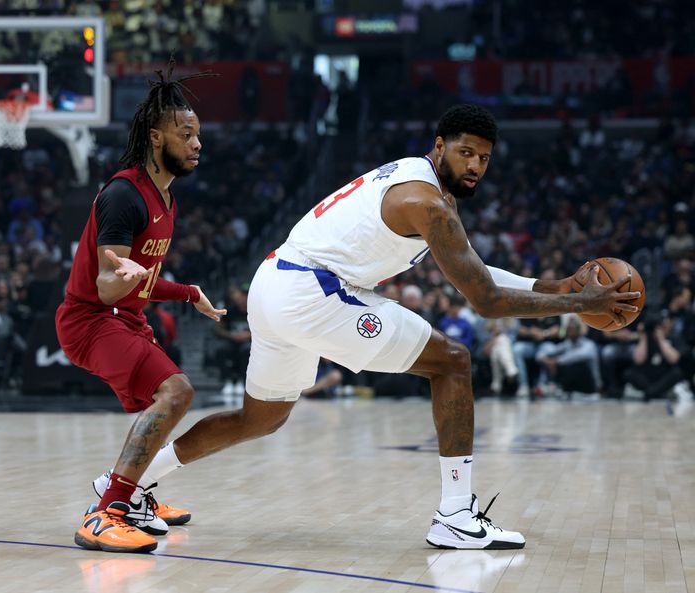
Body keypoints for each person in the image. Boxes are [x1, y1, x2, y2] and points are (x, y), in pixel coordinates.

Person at [118, 104, 640, 551]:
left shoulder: (423, 182)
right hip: (311, 292)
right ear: (440, 146)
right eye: (466, 153)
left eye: (485, 157)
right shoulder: (427, 202)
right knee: (453, 362)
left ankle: (133, 485)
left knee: (259, 420)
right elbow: (485, 300)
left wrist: (559, 287)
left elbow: (478, 272)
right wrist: (579, 305)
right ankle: (457, 516)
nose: (476, 164)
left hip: (277, 284)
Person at [55, 60, 226, 554]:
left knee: (165, 405)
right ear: (156, 138)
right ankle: (107, 511)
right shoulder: (124, 196)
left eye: (198, 135)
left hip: (124, 317)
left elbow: (140, 283)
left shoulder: (166, 200)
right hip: (92, 320)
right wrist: (120, 276)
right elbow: (110, 287)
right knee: (177, 392)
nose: (197, 144)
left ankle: (133, 494)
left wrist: (188, 293)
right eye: (186, 134)